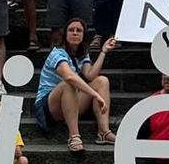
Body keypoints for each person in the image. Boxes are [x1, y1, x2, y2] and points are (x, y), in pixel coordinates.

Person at [35, 20, 115, 149]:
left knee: (102, 81)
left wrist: (104, 51)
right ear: (65, 34)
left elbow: (90, 75)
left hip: (71, 102)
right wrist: (95, 95)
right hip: (48, 107)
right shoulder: (57, 53)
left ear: (84, 35)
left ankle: (103, 132)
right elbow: (69, 76)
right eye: (71, 30)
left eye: (79, 31)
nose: (75, 33)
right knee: (69, 83)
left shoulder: (82, 55)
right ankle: (74, 136)